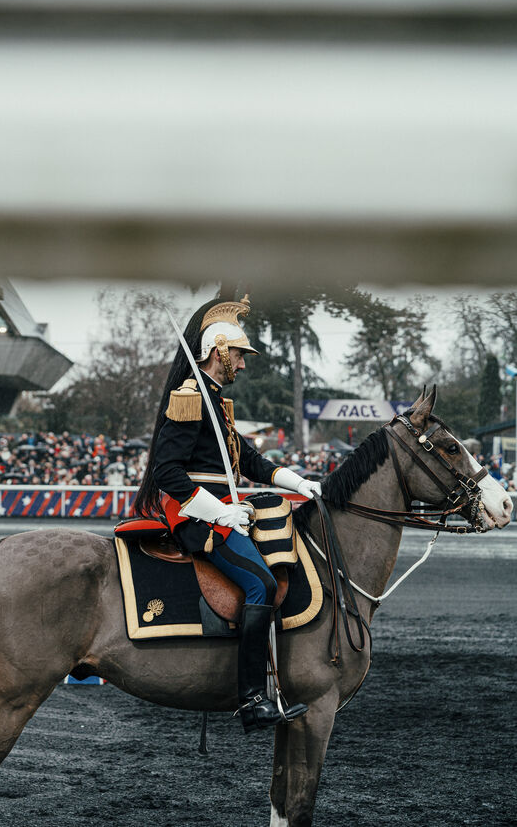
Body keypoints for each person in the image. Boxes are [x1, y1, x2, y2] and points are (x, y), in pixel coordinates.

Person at [135, 296, 322, 734]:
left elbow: (249, 461)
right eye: (238, 354)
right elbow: (167, 473)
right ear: (218, 351)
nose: (242, 363)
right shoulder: (191, 397)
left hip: (223, 512)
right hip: (196, 517)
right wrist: (219, 513)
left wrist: (300, 483)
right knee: (261, 584)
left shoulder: (215, 401)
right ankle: (252, 699)